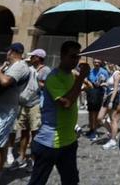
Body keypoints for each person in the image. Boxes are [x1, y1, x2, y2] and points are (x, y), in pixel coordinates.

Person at [27, 41, 89, 185]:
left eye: (78, 57)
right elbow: (66, 103)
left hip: (69, 141)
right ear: (62, 55)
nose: (76, 60)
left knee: (71, 181)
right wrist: (81, 78)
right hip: (50, 142)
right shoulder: (53, 77)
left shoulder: (71, 75)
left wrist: (79, 79)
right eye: (72, 56)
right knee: (38, 182)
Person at [0, 42, 30, 185]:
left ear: (12, 52)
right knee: (1, 144)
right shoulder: (12, 66)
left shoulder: (20, 66)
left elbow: (4, 82)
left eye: (8, 51)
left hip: (6, 110)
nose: (6, 54)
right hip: (1, 108)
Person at [10, 49, 51, 170]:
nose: (31, 58)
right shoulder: (29, 68)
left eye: (33, 56)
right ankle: (21, 157)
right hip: (25, 103)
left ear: (38, 58)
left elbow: (47, 87)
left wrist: (36, 81)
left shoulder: (45, 70)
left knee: (35, 133)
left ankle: (33, 159)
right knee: (23, 131)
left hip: (36, 104)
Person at [98, 64, 120, 150]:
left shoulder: (117, 73)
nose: (109, 64)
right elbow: (111, 86)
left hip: (113, 97)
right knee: (100, 117)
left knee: (113, 119)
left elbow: (116, 88)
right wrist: (105, 84)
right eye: (108, 63)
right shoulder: (111, 73)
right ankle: (113, 135)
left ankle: (113, 141)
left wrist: (111, 101)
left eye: (111, 63)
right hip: (109, 96)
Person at [85, 59, 109, 141]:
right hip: (91, 92)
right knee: (90, 111)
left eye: (98, 62)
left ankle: (94, 131)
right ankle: (91, 129)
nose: (96, 64)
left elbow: (108, 83)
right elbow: (87, 80)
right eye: (95, 62)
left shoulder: (104, 72)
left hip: (99, 93)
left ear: (101, 63)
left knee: (95, 112)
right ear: (93, 63)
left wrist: (103, 84)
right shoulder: (90, 71)